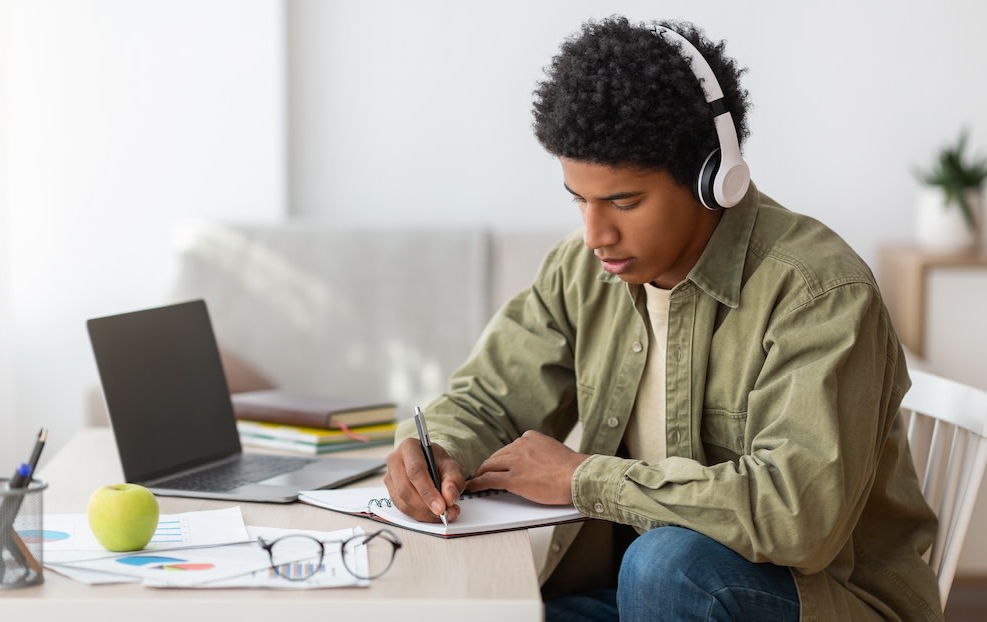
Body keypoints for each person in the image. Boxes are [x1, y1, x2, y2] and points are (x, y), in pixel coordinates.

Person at [383, 15, 942, 622]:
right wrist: (437, 449)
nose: (595, 233)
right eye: (580, 200)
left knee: (667, 562)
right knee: (486, 609)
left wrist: (584, 480)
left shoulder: (817, 291)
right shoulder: (581, 271)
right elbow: (490, 399)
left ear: (713, 180)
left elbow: (795, 515)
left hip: (817, 600)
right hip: (647, 600)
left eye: (623, 202)